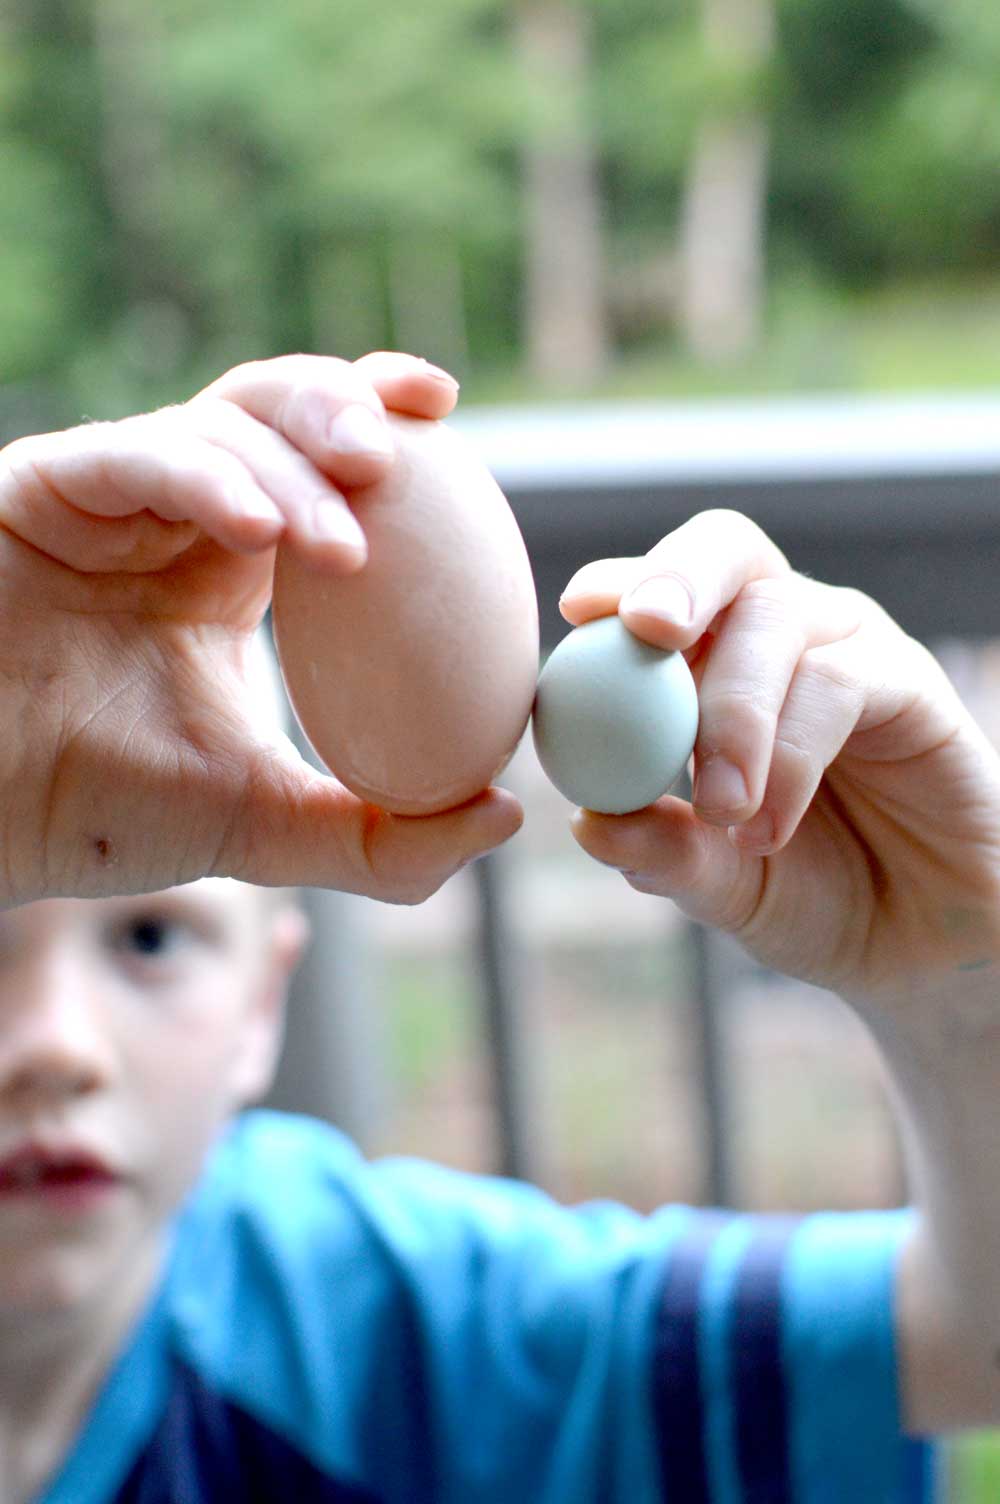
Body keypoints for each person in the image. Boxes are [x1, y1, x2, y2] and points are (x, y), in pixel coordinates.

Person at [0, 351, 996, 1504]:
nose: (52, 1045)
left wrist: (959, 987)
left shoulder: (393, 1335)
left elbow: (962, 1345)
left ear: (262, 1003)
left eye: (153, 941)